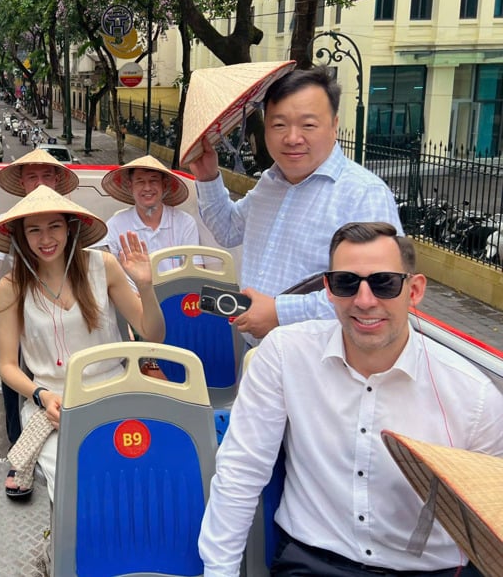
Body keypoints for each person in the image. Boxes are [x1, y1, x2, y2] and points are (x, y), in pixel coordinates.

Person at [198, 222, 503, 577]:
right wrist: (220, 571)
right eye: (346, 282)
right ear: (328, 288)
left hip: (430, 569)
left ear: (415, 290)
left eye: (384, 283)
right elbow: (241, 471)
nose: (364, 300)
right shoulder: (286, 355)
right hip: (314, 562)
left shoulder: (472, 394)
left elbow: (492, 513)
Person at [185, 65, 402, 341]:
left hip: (323, 361)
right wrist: (207, 177)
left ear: (334, 125)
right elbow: (228, 230)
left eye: (308, 125)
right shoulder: (270, 183)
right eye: (279, 124)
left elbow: (378, 292)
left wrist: (279, 311)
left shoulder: (363, 194)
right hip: (261, 354)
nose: (292, 138)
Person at [0, 185, 166, 500]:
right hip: (54, 400)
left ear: (70, 228)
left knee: (135, 474)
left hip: (115, 389)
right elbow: (7, 366)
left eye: (54, 226)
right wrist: (41, 395)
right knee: (74, 483)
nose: (46, 239)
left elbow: (153, 336)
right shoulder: (11, 285)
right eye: (35, 230)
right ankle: (68, 545)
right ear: (22, 235)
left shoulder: (102, 266)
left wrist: (145, 286)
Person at [0, 148, 80, 499]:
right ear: (21, 182)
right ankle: (23, 451)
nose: (39, 183)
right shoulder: (9, 219)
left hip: (72, 310)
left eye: (47, 175)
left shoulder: (72, 217)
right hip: (28, 314)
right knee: (16, 356)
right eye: (31, 176)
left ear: (58, 181)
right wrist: (18, 316)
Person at [101, 155, 201, 279]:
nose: (147, 188)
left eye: (153, 181)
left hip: (174, 296)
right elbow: (105, 272)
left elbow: (196, 271)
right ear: (130, 186)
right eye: (140, 181)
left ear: (164, 185)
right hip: (131, 297)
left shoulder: (185, 222)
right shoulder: (115, 225)